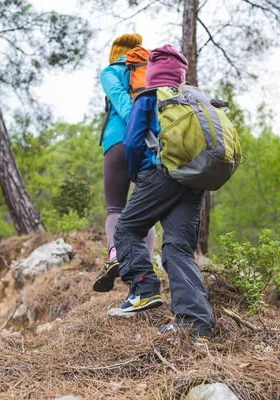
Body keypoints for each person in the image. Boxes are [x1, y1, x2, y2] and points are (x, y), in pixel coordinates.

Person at [113, 44, 215, 341]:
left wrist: (137, 175)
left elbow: (132, 142)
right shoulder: (194, 100)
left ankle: (144, 289)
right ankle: (196, 325)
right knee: (178, 250)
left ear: (153, 73)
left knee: (128, 229)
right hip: (193, 181)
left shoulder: (147, 98)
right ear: (181, 75)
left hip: (158, 175)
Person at [93, 33, 155, 293]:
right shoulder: (149, 69)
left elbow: (120, 101)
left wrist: (132, 126)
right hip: (149, 142)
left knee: (115, 208)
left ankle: (116, 254)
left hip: (118, 141)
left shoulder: (110, 70)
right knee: (147, 211)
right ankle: (146, 267)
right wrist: (144, 130)